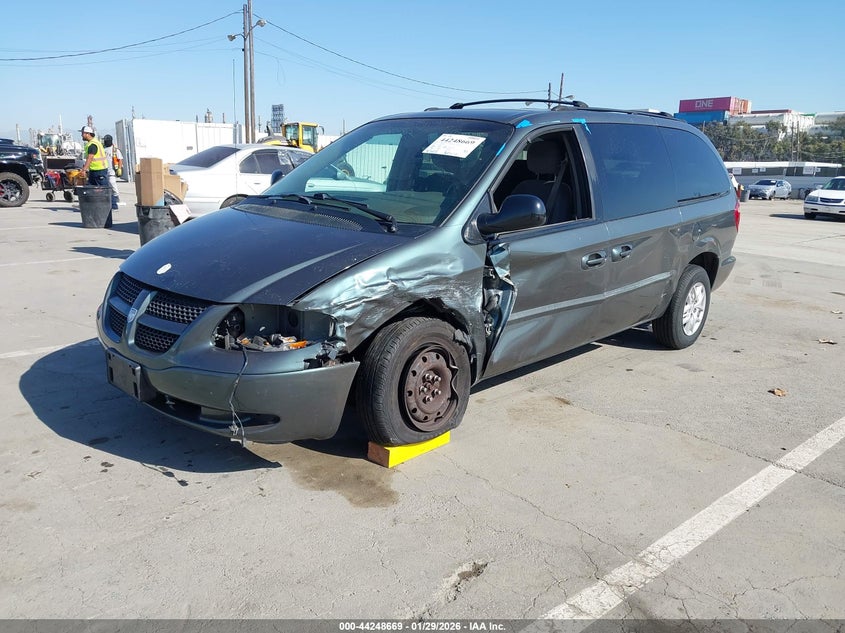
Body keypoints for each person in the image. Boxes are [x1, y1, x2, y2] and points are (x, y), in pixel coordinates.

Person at [81, 125, 113, 227]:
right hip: (94, 172)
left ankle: (105, 218)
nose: (82, 135)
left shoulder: (93, 145)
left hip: (99, 172)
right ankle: (95, 217)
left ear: (87, 134)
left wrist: (84, 169)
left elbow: (90, 158)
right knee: (91, 193)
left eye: (83, 133)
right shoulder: (93, 143)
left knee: (103, 194)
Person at [102, 134, 123, 211]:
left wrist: (119, 168)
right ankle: (110, 201)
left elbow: (120, 159)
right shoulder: (103, 149)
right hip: (104, 171)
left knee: (113, 184)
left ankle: (116, 198)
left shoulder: (115, 150)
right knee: (107, 187)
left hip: (112, 171)